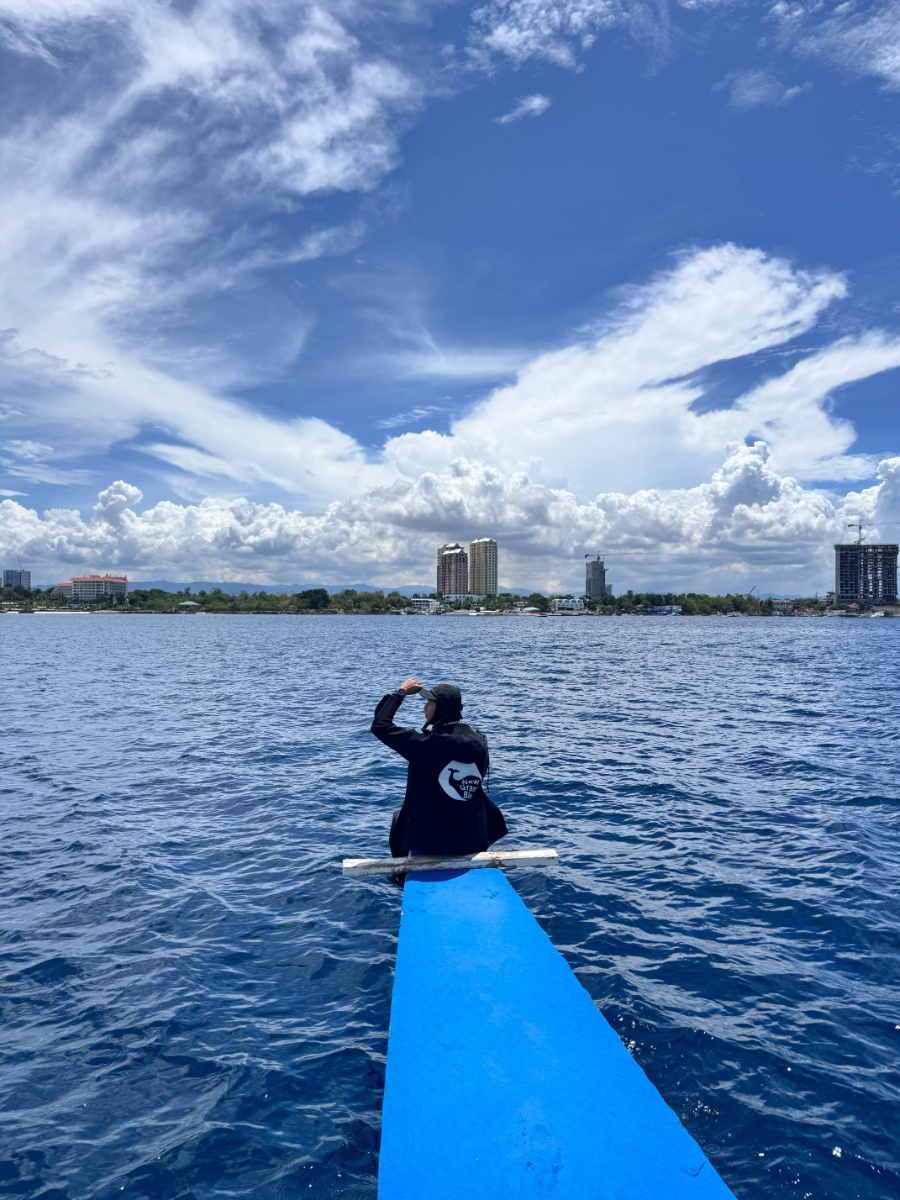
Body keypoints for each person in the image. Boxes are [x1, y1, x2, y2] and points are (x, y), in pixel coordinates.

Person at [371, 677, 507, 858]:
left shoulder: (425, 745)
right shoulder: (480, 741)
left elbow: (381, 725)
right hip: (474, 839)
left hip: (433, 844)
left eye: (429, 702)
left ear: (441, 708)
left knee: (399, 818)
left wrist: (401, 692)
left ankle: (400, 876)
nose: (424, 708)